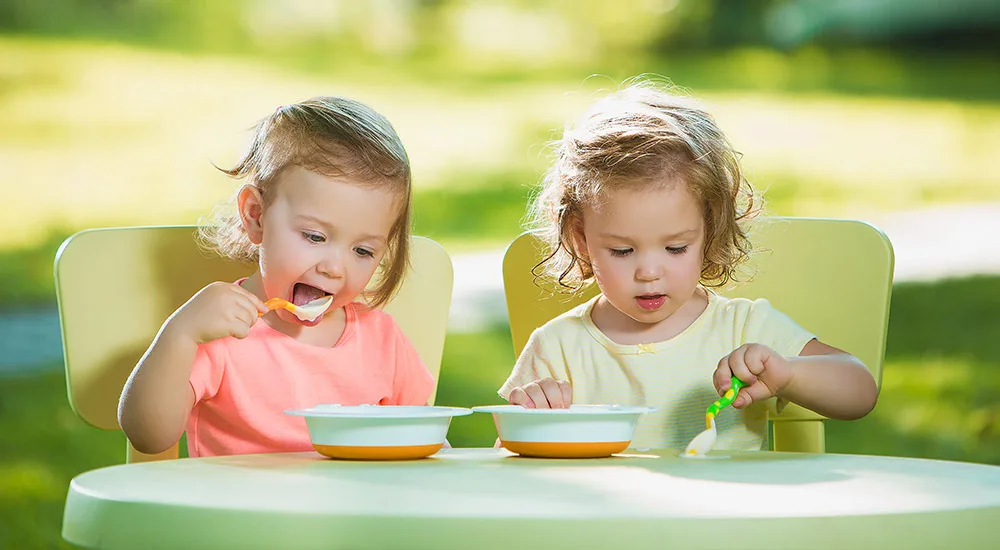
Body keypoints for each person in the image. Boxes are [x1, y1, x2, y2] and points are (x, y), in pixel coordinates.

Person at [499, 81, 878, 451]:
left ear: (709, 230)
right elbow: (508, 463)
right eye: (622, 251)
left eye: (676, 248)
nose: (649, 272)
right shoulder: (557, 349)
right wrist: (533, 423)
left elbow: (860, 391)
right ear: (581, 238)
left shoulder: (743, 328)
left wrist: (790, 374)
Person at [119, 97, 435, 457]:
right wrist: (180, 334)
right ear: (256, 215)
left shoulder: (382, 340)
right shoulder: (219, 330)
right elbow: (149, 436)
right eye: (314, 237)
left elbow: (423, 443)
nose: (334, 268)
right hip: (236, 496)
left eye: (363, 251)